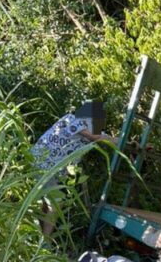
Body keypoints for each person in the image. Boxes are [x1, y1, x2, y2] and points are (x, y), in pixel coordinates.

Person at [31, 100, 115, 235]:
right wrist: (112, 139)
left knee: (47, 202)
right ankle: (44, 242)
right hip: (44, 164)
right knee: (55, 204)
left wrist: (131, 144)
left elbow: (108, 138)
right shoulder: (73, 120)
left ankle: (39, 237)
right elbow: (92, 136)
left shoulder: (88, 127)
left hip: (50, 169)